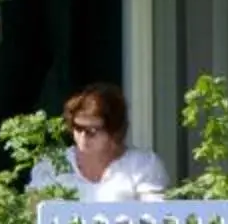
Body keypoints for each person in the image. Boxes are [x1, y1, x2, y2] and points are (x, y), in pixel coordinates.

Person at [29, 82, 168, 201]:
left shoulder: (142, 165)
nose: (82, 137)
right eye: (78, 128)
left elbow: (156, 219)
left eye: (92, 131)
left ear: (114, 131)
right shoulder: (51, 165)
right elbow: (33, 219)